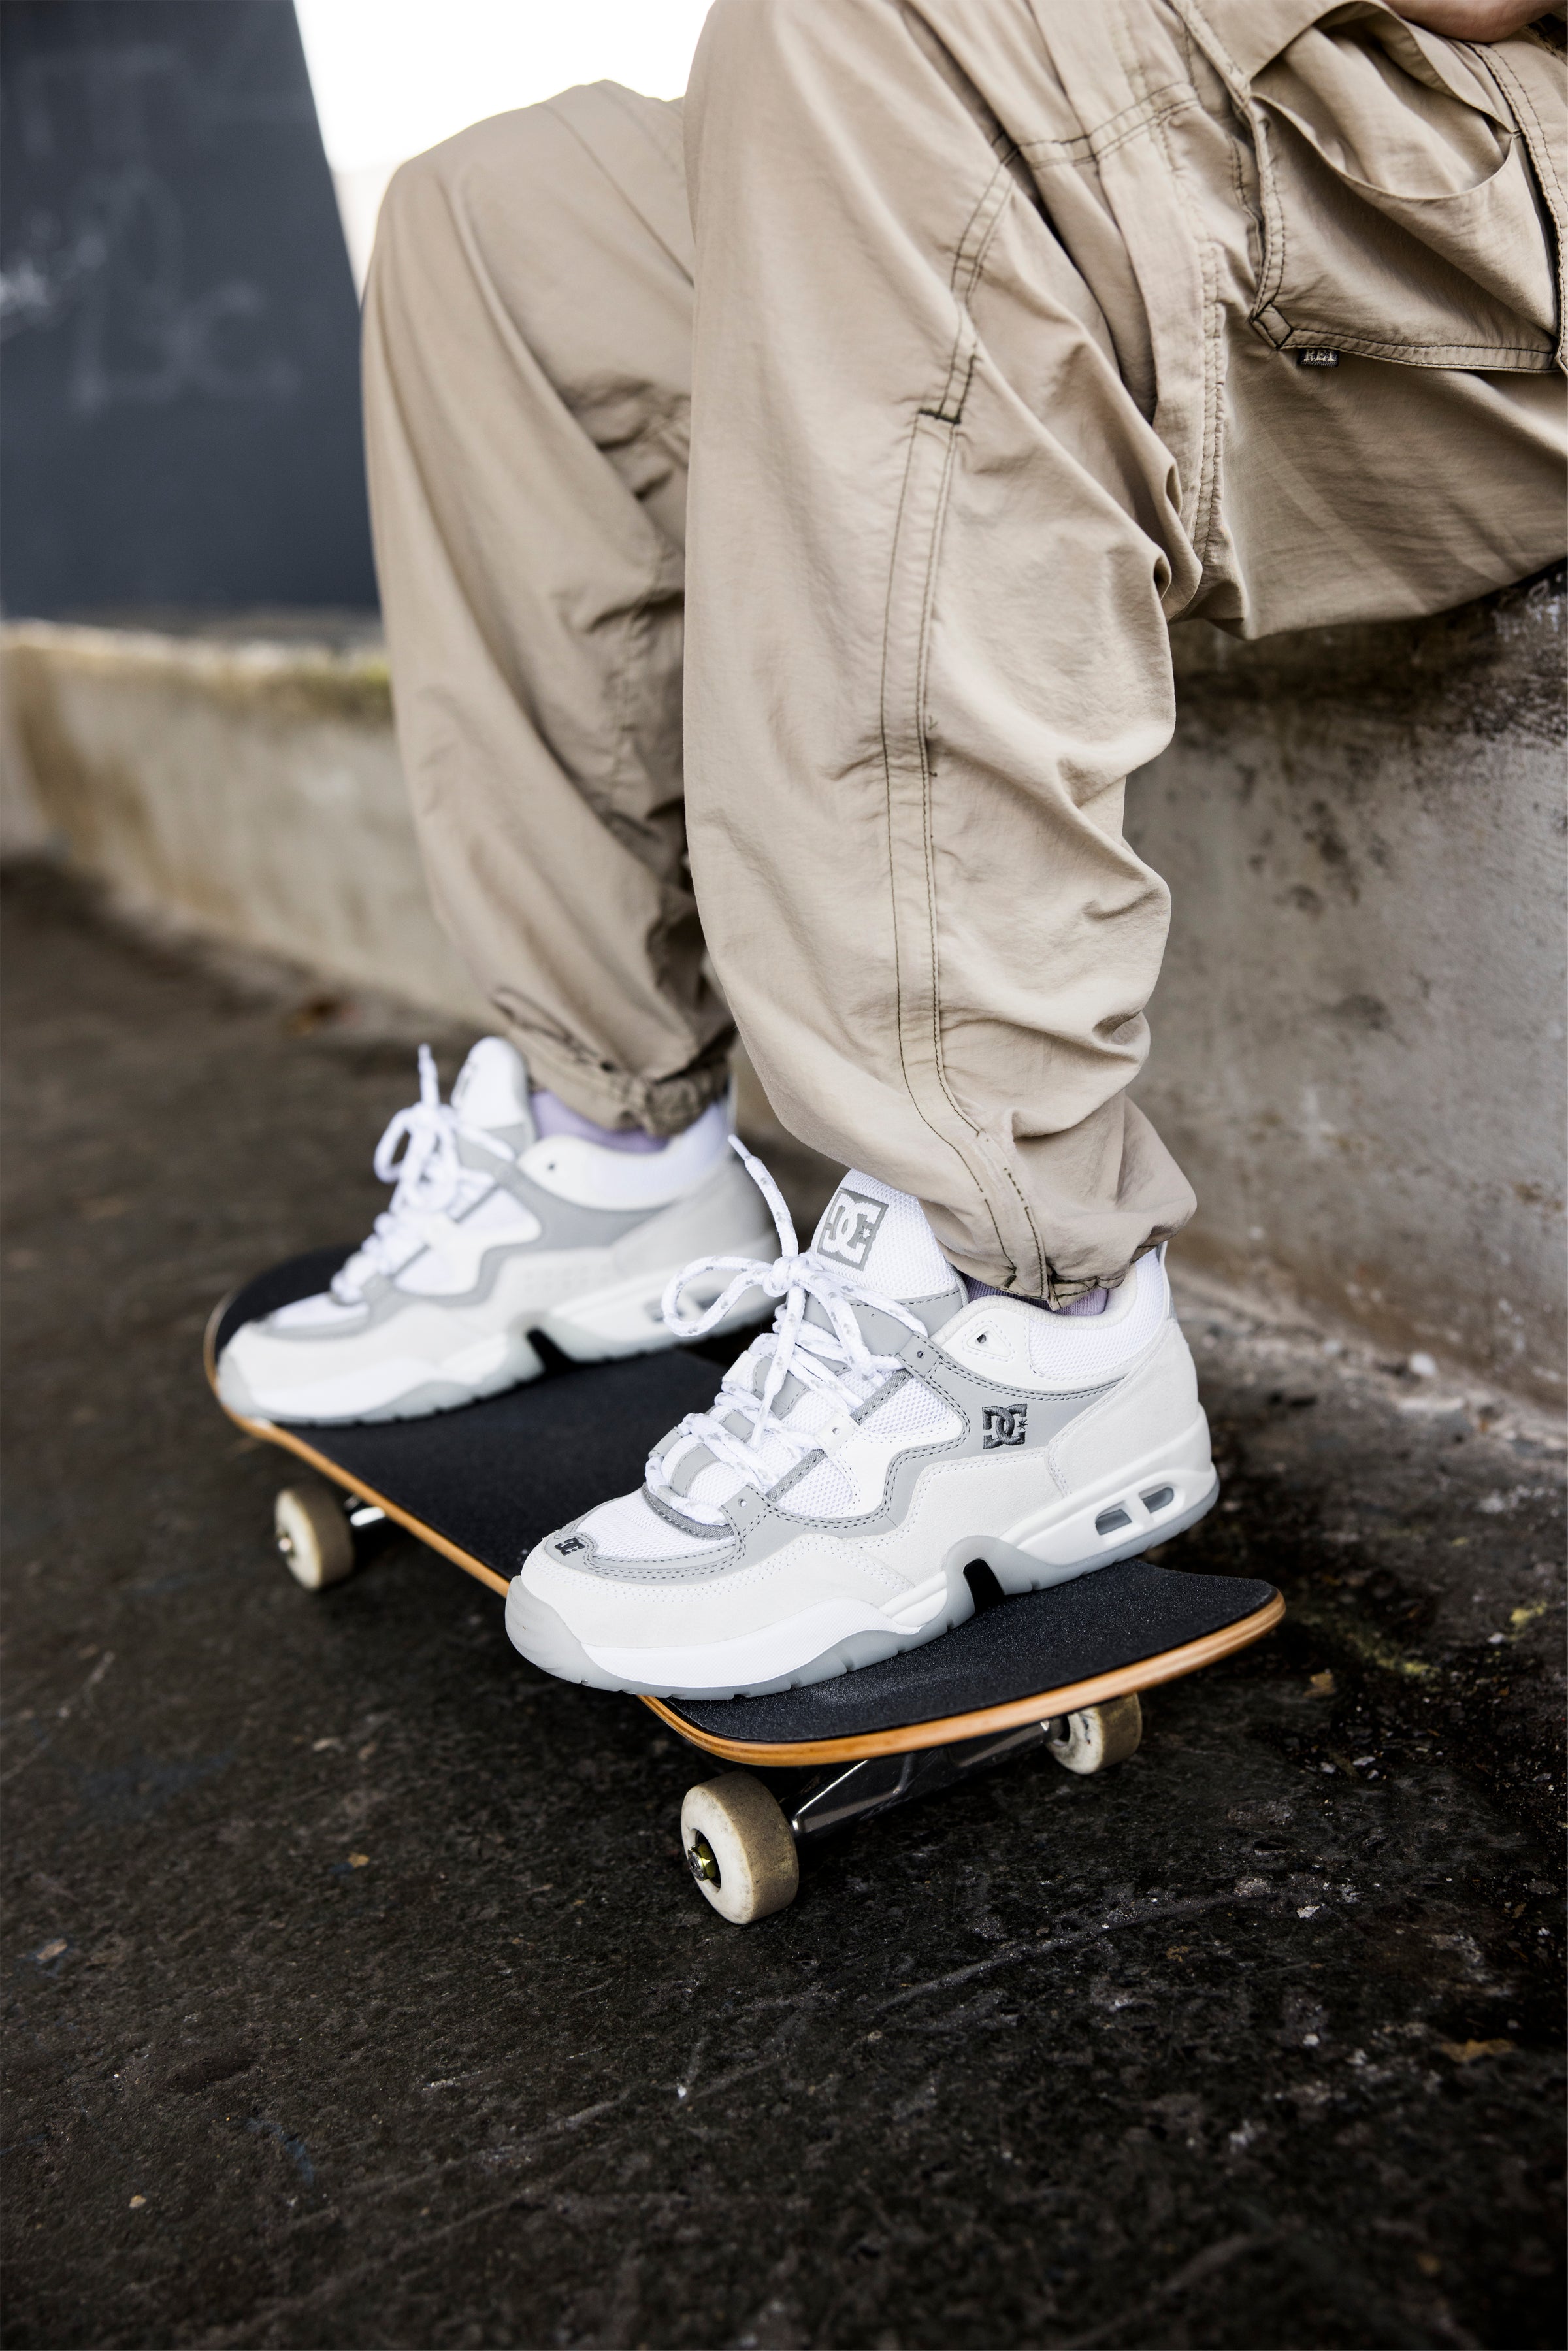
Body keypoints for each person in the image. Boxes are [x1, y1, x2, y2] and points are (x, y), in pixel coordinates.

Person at [218, 0, 1565, 1695]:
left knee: (862, 28)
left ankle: (1017, 1320)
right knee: (496, 225)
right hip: (1264, 110)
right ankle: (606, 1153)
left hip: (1494, 144)